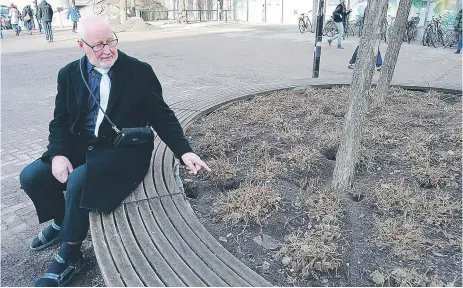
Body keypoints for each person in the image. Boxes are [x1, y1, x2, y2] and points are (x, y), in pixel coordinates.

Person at [19, 15, 211, 287]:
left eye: (111, 41)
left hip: (123, 151)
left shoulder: (139, 71)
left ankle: (71, 253)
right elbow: (60, 121)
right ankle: (62, 221)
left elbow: (162, 116)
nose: (107, 50)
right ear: (81, 45)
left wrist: (184, 151)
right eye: (97, 45)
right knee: (32, 177)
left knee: (78, 181)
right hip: (82, 145)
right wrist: (58, 154)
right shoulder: (69, 74)